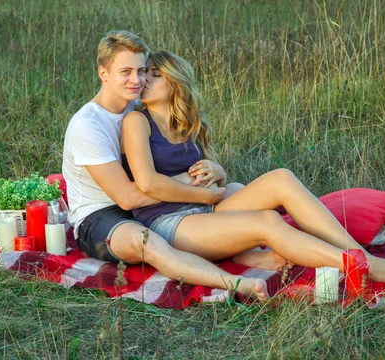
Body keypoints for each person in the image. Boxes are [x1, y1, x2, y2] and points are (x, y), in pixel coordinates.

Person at [120, 50, 385, 284]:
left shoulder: (189, 126)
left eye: (153, 74)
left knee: (280, 177)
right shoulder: (138, 122)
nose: (143, 80)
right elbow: (148, 184)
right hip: (168, 222)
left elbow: (212, 181)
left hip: (203, 211)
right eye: (144, 73)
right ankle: (363, 266)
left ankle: (357, 253)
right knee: (268, 221)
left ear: (176, 83)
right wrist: (204, 194)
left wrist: (219, 174)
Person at [62, 30, 269, 301]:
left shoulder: (136, 104)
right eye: (126, 71)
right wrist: (190, 182)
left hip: (147, 204)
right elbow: (126, 198)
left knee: (236, 192)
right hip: (101, 216)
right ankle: (235, 282)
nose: (136, 80)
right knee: (146, 241)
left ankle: (242, 250)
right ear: (104, 73)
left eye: (141, 70)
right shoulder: (87, 125)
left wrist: (215, 171)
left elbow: (180, 142)